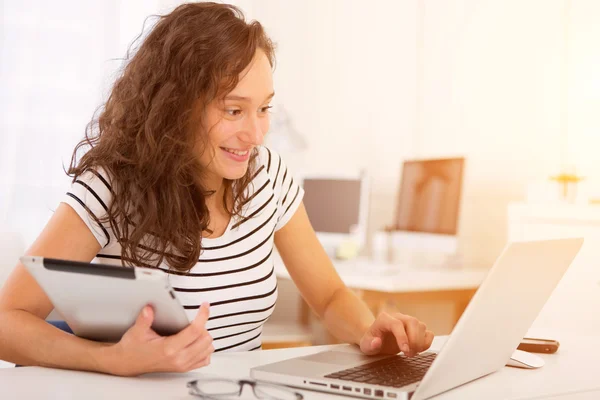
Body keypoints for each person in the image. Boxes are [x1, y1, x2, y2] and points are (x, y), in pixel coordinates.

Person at [0, 2, 433, 376]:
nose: (256, 134)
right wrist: (111, 359)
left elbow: (330, 296)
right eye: (233, 109)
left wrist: (368, 330)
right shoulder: (113, 187)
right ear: (174, 106)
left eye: (263, 108)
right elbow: (7, 322)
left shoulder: (268, 178)